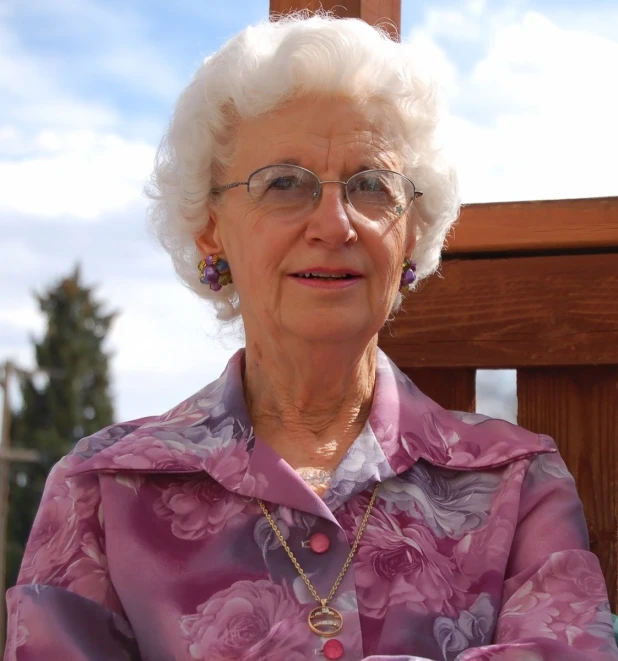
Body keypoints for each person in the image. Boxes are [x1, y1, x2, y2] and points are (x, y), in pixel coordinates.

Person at [4, 12, 618, 661]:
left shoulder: (517, 485)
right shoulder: (101, 490)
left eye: (370, 186)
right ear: (212, 227)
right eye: (284, 183)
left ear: (411, 232)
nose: (334, 222)